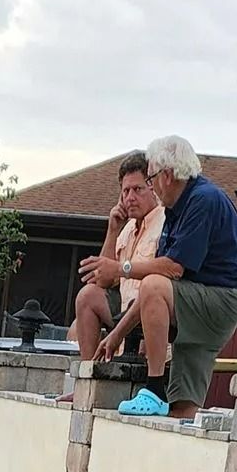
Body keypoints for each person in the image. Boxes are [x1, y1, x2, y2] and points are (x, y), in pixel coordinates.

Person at [99, 135, 237, 419]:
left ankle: (154, 388)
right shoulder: (176, 209)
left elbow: (172, 270)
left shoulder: (203, 200)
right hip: (202, 304)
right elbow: (152, 293)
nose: (152, 186)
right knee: (183, 409)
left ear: (167, 175)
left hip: (221, 300)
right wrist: (116, 335)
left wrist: (121, 268)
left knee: (154, 283)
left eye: (152, 178)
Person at [72, 154, 166, 363]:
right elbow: (103, 280)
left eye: (137, 189)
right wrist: (113, 230)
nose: (130, 197)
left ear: (152, 187)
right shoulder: (127, 229)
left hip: (150, 311)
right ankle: (89, 373)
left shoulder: (166, 222)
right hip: (122, 312)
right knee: (87, 295)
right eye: (125, 191)